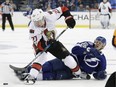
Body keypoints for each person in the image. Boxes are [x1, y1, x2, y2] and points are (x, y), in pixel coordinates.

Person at [23, 6, 78, 84]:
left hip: (54, 42)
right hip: (41, 43)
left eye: (40, 21)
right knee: (41, 58)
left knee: (70, 61)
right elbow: (38, 44)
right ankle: (32, 75)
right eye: (36, 22)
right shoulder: (32, 29)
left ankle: (78, 73)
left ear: (43, 17)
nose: (38, 24)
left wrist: (68, 18)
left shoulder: (50, 15)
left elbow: (63, 9)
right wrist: (46, 43)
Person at [18, 36, 107, 81]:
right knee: (47, 66)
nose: (98, 44)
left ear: (103, 46)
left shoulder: (102, 58)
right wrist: (87, 50)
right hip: (69, 61)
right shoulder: (87, 44)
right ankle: (26, 70)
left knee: (51, 76)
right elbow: (74, 50)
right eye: (97, 42)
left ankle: (28, 77)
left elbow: (98, 73)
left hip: (73, 73)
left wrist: (100, 75)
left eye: (100, 43)